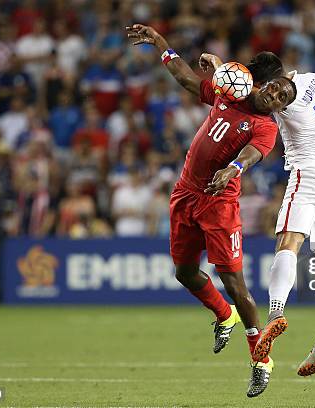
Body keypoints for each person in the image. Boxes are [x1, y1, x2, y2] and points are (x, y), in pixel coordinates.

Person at [126, 24, 296, 398]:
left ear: (282, 108)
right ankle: (223, 315)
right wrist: (162, 44)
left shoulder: (265, 127)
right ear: (262, 85)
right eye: (273, 87)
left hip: (220, 204)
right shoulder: (229, 93)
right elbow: (187, 79)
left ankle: (261, 360)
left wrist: (234, 168)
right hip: (185, 194)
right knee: (185, 273)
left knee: (236, 284)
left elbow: (252, 155)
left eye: (281, 97)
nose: (274, 95)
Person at [199, 49, 315, 378]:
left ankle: (275, 314)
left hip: (308, 176)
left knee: (288, 243)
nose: (272, 96)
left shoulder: (277, 102)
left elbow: (240, 88)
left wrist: (216, 63)